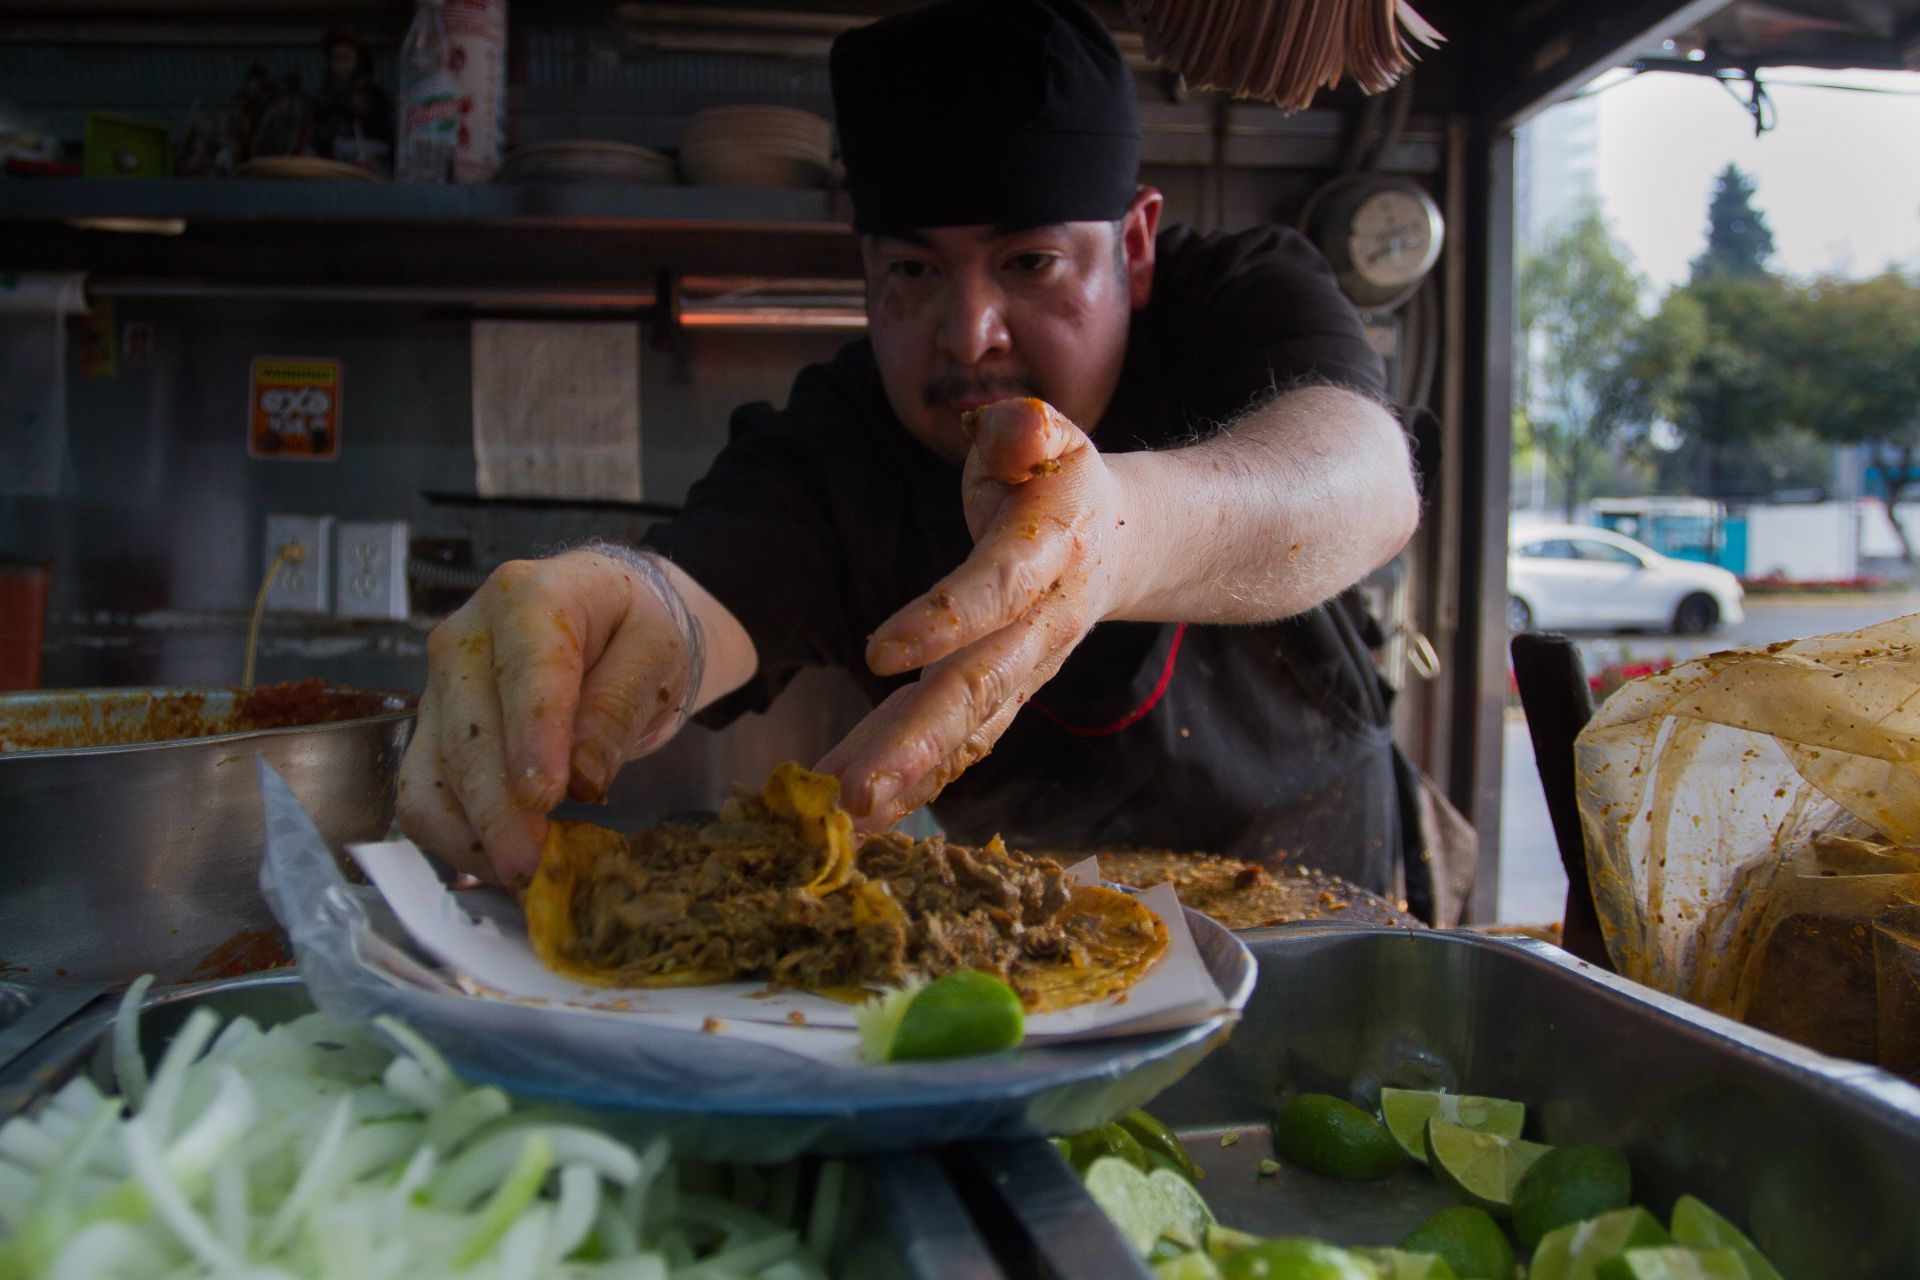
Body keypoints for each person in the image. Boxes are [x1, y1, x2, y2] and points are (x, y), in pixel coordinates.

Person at [396, 0, 1420, 897]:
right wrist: (609, 616)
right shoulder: (843, 445)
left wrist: (1119, 534)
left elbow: (1362, 480)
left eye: (1031, 261)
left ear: (1136, 248)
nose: (967, 331)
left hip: (1315, 904)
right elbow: (696, 597)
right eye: (913, 273)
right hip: (1046, 952)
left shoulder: (1236, 300)